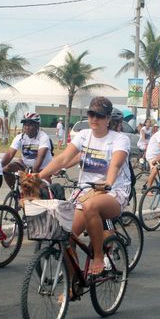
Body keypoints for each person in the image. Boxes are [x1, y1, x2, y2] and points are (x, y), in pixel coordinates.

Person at [37, 96, 130, 276]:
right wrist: (38, 176)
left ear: (108, 119)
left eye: (100, 115)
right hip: (85, 191)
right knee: (65, 236)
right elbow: (63, 159)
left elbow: (116, 165)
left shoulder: (120, 139)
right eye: (91, 114)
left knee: (91, 207)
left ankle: (98, 256)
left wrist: (108, 183)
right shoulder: (83, 135)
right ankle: (73, 285)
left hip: (113, 192)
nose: (95, 119)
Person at [1, 112, 53, 189]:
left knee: (42, 189)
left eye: (30, 125)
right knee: (7, 168)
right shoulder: (20, 137)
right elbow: (9, 154)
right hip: (26, 167)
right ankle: (14, 193)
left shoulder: (43, 137)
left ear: (37, 125)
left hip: (42, 169)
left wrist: (32, 175)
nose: (26, 127)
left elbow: (40, 157)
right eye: (25, 124)